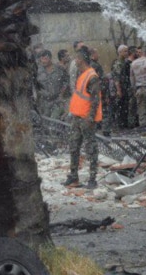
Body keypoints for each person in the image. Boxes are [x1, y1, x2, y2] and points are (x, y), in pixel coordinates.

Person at [64, 48, 101, 189]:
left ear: (82, 59)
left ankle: (92, 179)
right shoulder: (82, 74)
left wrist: (90, 117)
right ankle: (73, 177)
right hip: (77, 117)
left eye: (76, 58)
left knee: (91, 148)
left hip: (86, 119)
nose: (75, 60)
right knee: (74, 147)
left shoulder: (92, 76)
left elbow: (95, 99)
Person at [36, 49, 68, 120]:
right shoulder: (38, 71)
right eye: (42, 59)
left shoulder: (59, 69)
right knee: (44, 122)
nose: (43, 61)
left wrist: (62, 93)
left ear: (50, 58)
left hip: (56, 101)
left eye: (45, 59)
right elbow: (35, 86)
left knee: (54, 121)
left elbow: (66, 81)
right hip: (44, 103)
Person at [112, 45, 133, 130]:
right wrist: (119, 90)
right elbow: (116, 78)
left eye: (127, 51)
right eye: (125, 51)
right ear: (120, 52)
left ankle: (124, 124)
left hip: (126, 88)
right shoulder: (118, 63)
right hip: (121, 88)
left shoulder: (125, 62)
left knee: (126, 107)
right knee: (120, 107)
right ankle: (120, 126)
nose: (127, 53)